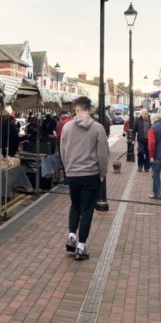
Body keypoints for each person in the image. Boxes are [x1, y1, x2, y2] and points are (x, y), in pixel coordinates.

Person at [60, 96, 109, 261]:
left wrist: (68, 169)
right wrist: (102, 174)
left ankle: (72, 235)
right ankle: (81, 247)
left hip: (73, 174)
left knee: (75, 206)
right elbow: (102, 154)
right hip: (91, 175)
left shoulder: (67, 127)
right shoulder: (98, 128)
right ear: (90, 109)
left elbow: (63, 150)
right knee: (87, 210)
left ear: (77, 109)